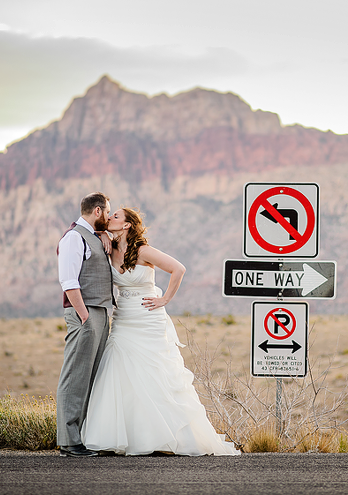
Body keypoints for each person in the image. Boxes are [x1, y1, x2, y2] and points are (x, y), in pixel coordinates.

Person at [81, 208, 240, 456]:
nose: (109, 217)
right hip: (124, 317)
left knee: (155, 371)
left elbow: (179, 269)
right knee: (119, 369)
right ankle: (125, 436)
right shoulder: (108, 247)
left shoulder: (143, 251)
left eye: (115, 216)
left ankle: (166, 437)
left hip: (148, 317)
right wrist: (101, 233)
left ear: (126, 225)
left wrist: (165, 298)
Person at [56, 192, 114, 457]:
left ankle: (82, 435)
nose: (110, 216)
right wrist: (85, 317)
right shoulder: (73, 238)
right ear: (98, 211)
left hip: (99, 312)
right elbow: (69, 282)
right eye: (108, 211)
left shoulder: (93, 236)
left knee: (91, 377)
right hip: (85, 314)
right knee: (75, 376)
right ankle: (69, 441)